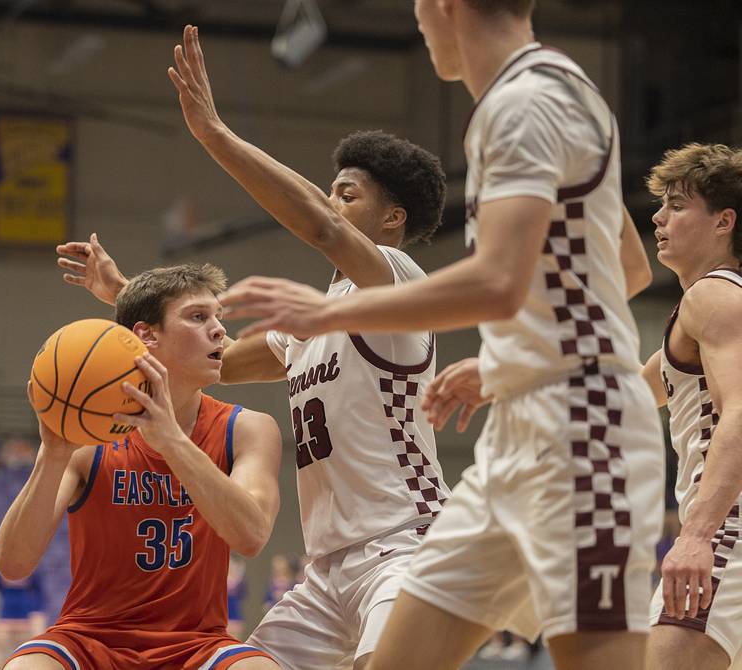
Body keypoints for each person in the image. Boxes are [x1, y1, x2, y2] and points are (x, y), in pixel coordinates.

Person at [218, 2, 664, 669]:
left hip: (582, 431)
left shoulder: (525, 99)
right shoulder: (540, 95)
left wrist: (326, 314)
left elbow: (499, 282)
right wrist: (514, 361)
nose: (419, 22)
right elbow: (626, 268)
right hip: (516, 433)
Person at [55, 24, 451, 670]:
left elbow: (321, 227)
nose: (331, 202)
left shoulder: (399, 285)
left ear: (392, 219)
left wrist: (214, 133)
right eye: (331, 189)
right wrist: (124, 296)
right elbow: (211, 361)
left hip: (407, 543)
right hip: (327, 568)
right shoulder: (306, 325)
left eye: (347, 194)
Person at [0, 264, 282, 670]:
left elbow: (251, 537)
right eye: (198, 317)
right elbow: (13, 565)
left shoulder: (247, 428)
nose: (220, 330)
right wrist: (53, 455)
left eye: (218, 317)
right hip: (88, 638)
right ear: (146, 335)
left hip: (196, 643)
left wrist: (173, 443)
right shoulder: (88, 437)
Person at [638, 143, 742, 670]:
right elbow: (628, 396)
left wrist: (698, 535)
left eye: (677, 206)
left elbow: (741, 411)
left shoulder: (713, 297)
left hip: (728, 530)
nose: (659, 217)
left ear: (724, 221)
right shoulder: (712, 308)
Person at [0, 571, 47, 670]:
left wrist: (36, 613)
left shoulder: (33, 570)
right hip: (7, 611)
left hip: (26, 612)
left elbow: (38, 590)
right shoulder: (1, 570)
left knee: (27, 648)